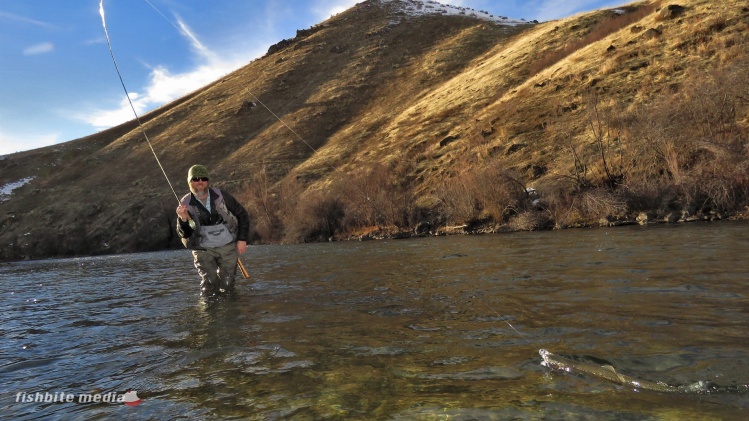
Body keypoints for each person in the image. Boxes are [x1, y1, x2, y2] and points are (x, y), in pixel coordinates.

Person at [176, 165, 250, 296]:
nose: (200, 182)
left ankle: (229, 311)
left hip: (227, 245)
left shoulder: (222, 195)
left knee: (228, 283)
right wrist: (183, 219)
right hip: (202, 248)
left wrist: (242, 239)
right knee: (209, 284)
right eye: (195, 179)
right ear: (189, 182)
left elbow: (242, 215)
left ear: (208, 181)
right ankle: (207, 313)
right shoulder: (184, 203)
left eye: (203, 178)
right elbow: (184, 233)